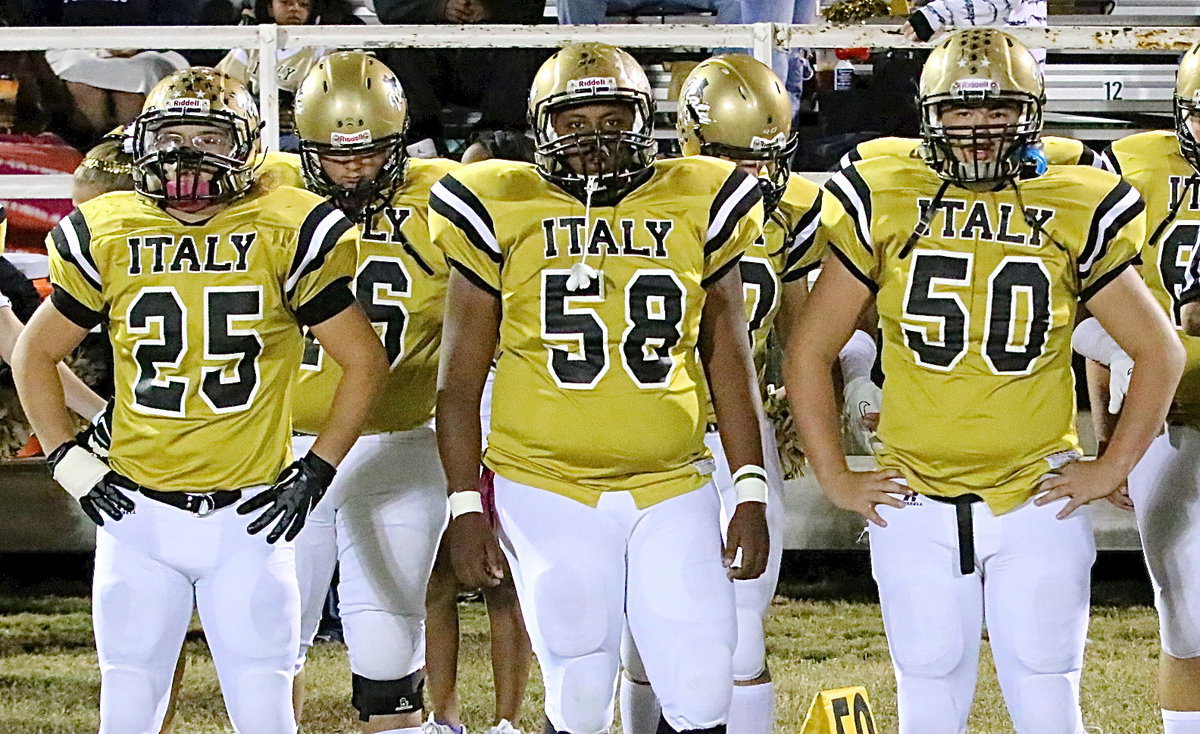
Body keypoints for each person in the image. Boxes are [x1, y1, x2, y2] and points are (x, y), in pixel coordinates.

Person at [787, 28, 1182, 734]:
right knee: (929, 689)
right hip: (913, 492)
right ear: (929, 115)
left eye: (997, 109)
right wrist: (837, 477)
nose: (978, 128)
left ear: (1030, 111)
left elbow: (1159, 351)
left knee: (1044, 684)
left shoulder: (1073, 196)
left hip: (1037, 492)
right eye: (960, 112)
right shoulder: (887, 191)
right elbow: (809, 348)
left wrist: (1112, 464)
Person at [11, 66, 388, 734]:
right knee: (127, 708)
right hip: (138, 515)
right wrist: (68, 462)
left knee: (265, 711)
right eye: (173, 135)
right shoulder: (109, 228)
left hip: (249, 515)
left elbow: (363, 360)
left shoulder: (284, 225)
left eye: (208, 135)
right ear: (143, 144)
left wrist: (319, 465)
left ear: (245, 147)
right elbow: (33, 353)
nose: (187, 154)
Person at [430, 41, 770, 734]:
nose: (596, 139)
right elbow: (457, 383)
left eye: (612, 118)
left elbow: (729, 359)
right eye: (574, 122)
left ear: (645, 120)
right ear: (540, 128)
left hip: (672, 480)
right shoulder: (500, 203)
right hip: (546, 483)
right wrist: (467, 506)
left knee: (706, 681)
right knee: (581, 689)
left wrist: (752, 487)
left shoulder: (697, 197)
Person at [619, 53, 822, 734]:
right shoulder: (646, 202)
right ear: (694, 143)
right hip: (653, 425)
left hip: (739, 428)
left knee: (740, 628)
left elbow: (799, 328)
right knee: (641, 632)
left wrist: (803, 403)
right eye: (741, 158)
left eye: (771, 158)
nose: (760, 175)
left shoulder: (789, 216)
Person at [280, 50, 458, 734]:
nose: (352, 168)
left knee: (389, 640)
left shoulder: (448, 195)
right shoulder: (266, 191)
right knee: (272, 639)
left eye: (370, 152)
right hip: (286, 443)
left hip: (401, 441)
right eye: (334, 153)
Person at [1087, 41, 1200, 734]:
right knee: (1185, 610)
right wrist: (1107, 430)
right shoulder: (1131, 168)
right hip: (1171, 419)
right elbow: (1097, 299)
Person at [424, 126, 534, 734]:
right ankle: (442, 714)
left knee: (503, 588)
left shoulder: (537, 245)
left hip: (512, 435)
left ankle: (506, 721)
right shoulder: (442, 244)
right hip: (446, 431)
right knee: (435, 580)